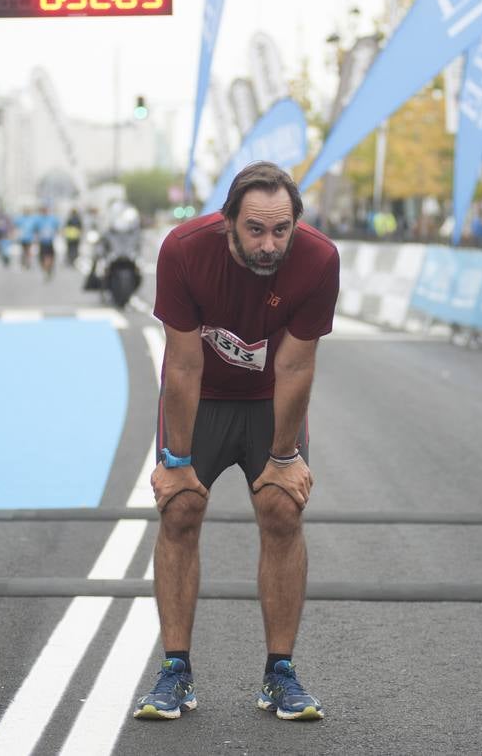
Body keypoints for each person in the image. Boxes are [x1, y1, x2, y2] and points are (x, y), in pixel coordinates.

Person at [134, 162, 339, 723]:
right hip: (202, 396)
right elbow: (181, 363)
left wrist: (283, 458)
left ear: (296, 222)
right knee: (180, 510)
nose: (269, 244)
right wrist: (175, 462)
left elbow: (297, 366)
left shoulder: (319, 258)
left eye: (281, 229)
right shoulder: (184, 249)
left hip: (270, 398)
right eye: (255, 229)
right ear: (228, 222)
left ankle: (281, 674)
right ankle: (175, 670)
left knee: (282, 510)